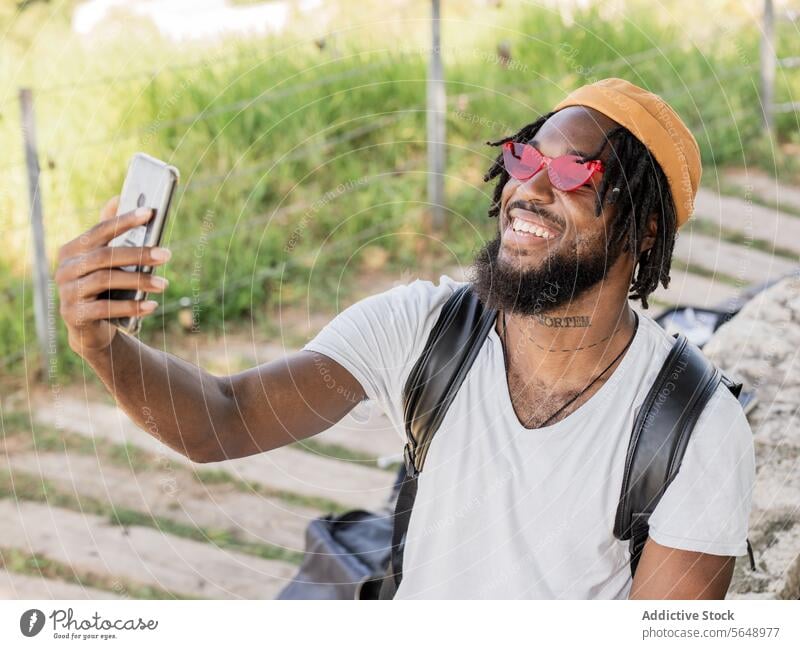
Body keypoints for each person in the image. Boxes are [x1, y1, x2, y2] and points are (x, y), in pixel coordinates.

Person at [56, 77, 755, 600]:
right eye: (523, 159)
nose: (529, 189)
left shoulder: (693, 429)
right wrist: (102, 346)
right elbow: (222, 421)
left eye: (574, 171)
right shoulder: (424, 328)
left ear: (646, 230)